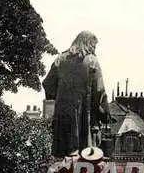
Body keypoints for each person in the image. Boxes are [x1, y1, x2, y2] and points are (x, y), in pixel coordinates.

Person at [43, 30, 110, 158]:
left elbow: (48, 84)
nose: (93, 49)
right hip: (84, 117)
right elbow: (99, 92)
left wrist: (60, 98)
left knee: (65, 156)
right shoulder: (92, 61)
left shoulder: (61, 59)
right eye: (93, 45)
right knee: (86, 156)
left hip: (63, 116)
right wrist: (104, 114)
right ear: (88, 44)